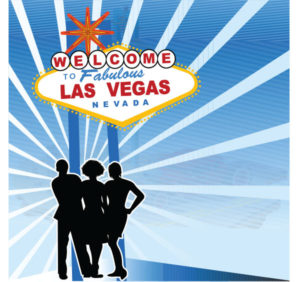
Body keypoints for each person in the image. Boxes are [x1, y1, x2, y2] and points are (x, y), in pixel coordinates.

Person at [51, 159, 91, 280]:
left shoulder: (56, 182)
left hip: (64, 215)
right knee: (80, 244)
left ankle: (63, 273)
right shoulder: (74, 178)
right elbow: (81, 194)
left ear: (57, 168)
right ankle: (86, 270)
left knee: (63, 246)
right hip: (76, 214)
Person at [105, 162, 145, 280]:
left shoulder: (109, 184)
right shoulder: (126, 183)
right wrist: (130, 209)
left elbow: (102, 199)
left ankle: (120, 269)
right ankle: (120, 269)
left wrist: (105, 207)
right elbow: (140, 195)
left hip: (112, 214)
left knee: (112, 242)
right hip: (120, 214)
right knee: (112, 242)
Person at [81, 160, 108, 278]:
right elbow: (104, 204)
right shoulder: (101, 186)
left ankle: (91, 269)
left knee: (88, 241)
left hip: (87, 214)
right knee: (97, 243)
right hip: (98, 215)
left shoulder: (83, 185)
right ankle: (94, 267)